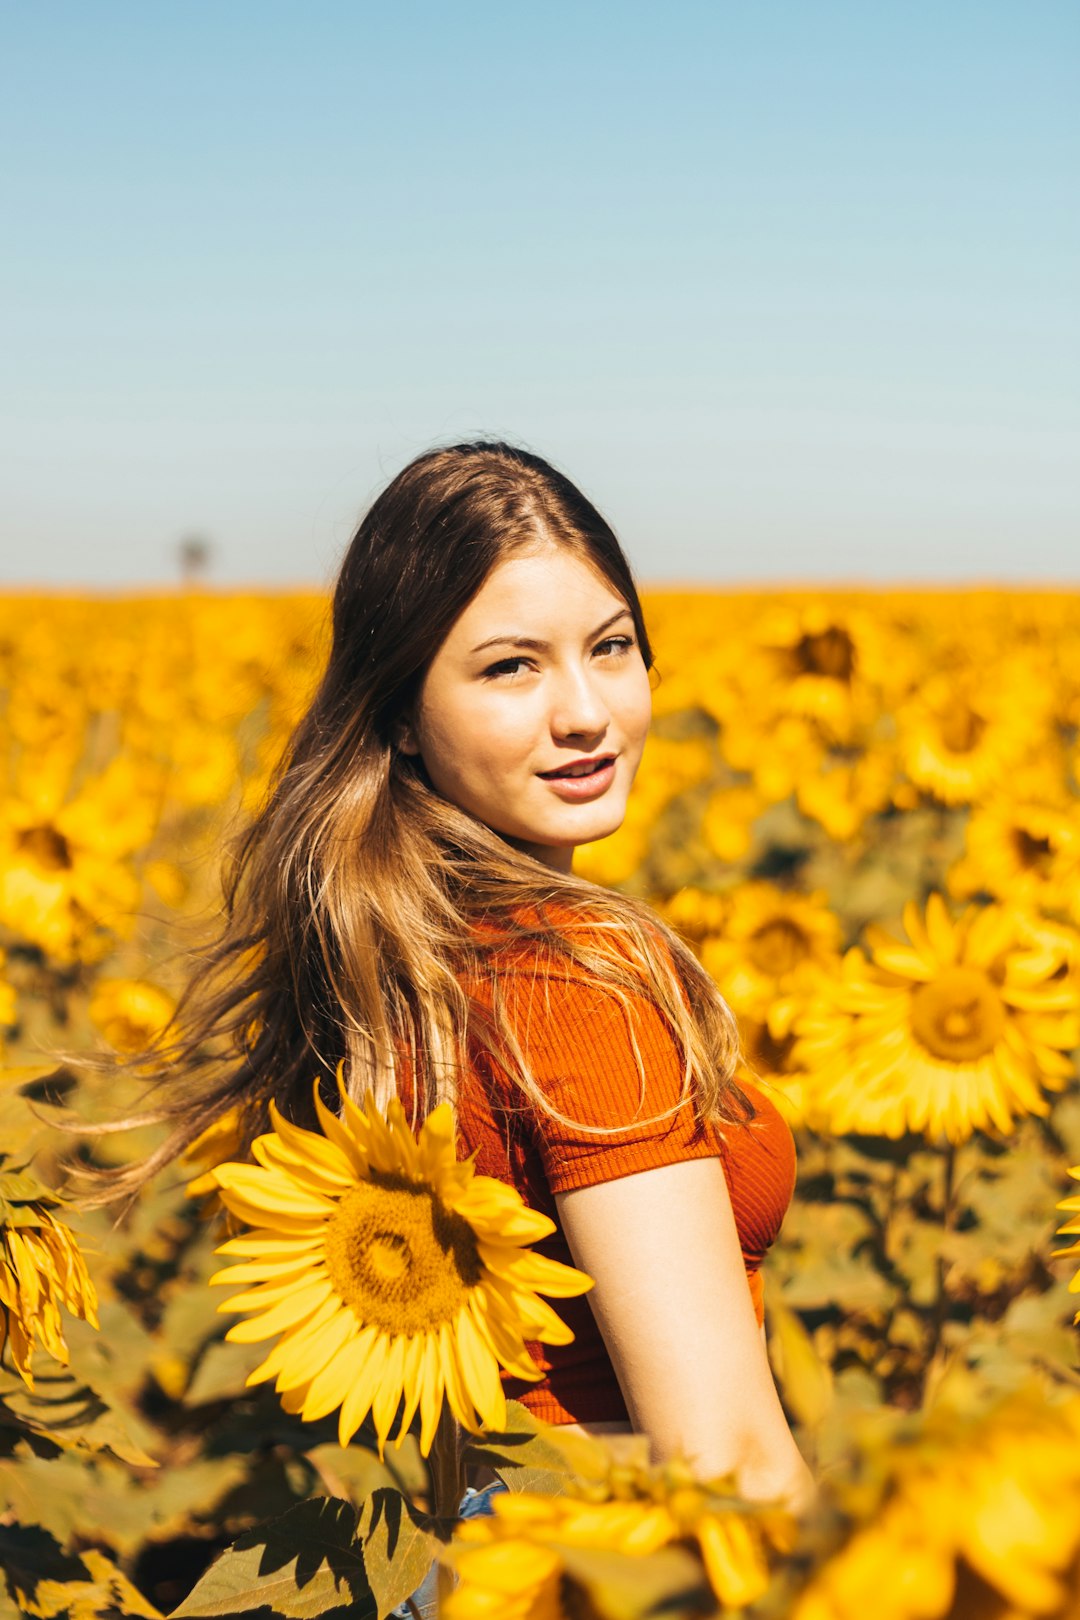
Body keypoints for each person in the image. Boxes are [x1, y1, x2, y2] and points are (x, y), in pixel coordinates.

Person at [84, 439, 815, 1515]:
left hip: (466, 1551)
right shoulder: (579, 981)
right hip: (606, 1564)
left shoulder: (405, 946)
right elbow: (726, 1459)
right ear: (400, 719)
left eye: (610, 648)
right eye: (510, 667)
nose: (585, 712)